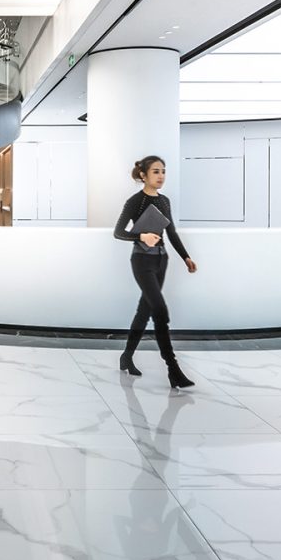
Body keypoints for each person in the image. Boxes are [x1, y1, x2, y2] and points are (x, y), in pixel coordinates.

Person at [111, 155, 197, 388]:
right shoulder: (135, 201)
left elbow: (172, 233)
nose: (161, 176)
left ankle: (126, 356)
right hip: (141, 261)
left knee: (144, 310)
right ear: (143, 175)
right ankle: (173, 368)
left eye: (163, 171)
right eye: (156, 171)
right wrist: (141, 236)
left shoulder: (165, 201)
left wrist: (186, 256)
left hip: (162, 260)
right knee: (159, 309)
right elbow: (118, 232)